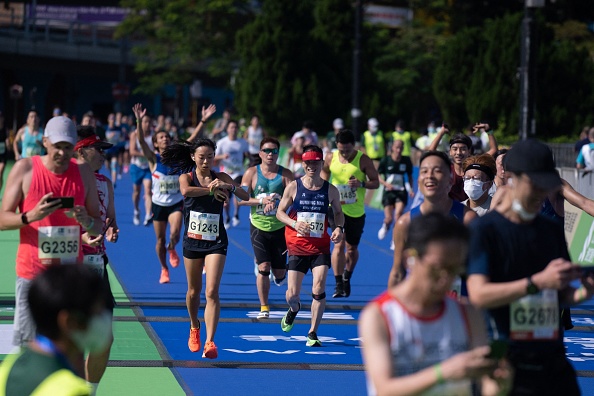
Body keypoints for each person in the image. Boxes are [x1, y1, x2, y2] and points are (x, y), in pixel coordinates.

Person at [466, 139, 594, 395]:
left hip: (552, 361)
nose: (541, 193)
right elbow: (479, 294)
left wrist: (584, 291)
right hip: (505, 363)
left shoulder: (550, 230)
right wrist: (536, 282)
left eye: (546, 185)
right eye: (534, 184)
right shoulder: (485, 230)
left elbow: (560, 295)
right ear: (511, 178)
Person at [359, 213, 510, 396]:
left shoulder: (468, 314)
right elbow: (385, 389)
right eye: (438, 268)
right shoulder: (379, 316)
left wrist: (500, 385)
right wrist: (444, 372)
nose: (446, 279)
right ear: (410, 259)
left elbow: (487, 386)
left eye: (455, 270)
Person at [0, 115, 103, 348]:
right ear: (45, 142)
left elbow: (97, 223)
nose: (62, 154)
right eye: (57, 147)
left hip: (69, 276)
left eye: (68, 148)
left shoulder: (84, 172)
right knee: (30, 348)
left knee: (70, 346)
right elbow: (2, 219)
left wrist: (86, 221)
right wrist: (30, 216)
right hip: (32, 274)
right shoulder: (25, 169)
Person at [161, 138, 249, 359]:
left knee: (212, 292)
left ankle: (210, 341)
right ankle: (194, 326)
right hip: (192, 240)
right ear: (193, 157)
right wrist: (210, 191)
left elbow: (245, 196)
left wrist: (228, 186)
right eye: (201, 157)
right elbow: (186, 191)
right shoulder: (187, 177)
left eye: (210, 156)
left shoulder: (221, 177)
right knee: (193, 292)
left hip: (216, 241)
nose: (206, 161)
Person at [0, 265, 112, 396]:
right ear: (69, 322)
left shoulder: (8, 368)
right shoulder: (73, 390)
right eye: (96, 313)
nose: (103, 320)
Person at [276, 145, 344, 346]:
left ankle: (313, 332)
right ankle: (294, 309)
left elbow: (338, 213)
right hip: (297, 246)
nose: (311, 166)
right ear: (303, 164)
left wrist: (339, 228)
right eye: (308, 163)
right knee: (292, 295)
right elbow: (280, 212)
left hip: (320, 247)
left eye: (315, 162)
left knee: (319, 287)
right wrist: (295, 223)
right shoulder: (294, 187)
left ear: (322, 163)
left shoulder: (330, 190)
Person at [387, 151, 477, 288]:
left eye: (437, 171)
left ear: (451, 179)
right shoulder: (405, 223)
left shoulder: (468, 219)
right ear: (418, 180)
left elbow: (479, 270)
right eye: (424, 171)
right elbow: (398, 272)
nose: (429, 176)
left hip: (456, 305)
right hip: (420, 306)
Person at [74, 125, 119, 393]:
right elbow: (53, 224)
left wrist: (111, 229)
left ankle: (88, 390)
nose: (103, 155)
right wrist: (80, 239)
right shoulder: (69, 181)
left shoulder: (105, 182)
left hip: (97, 264)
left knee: (104, 339)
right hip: (71, 264)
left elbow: (109, 217)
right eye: (98, 150)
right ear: (81, 151)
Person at [238, 137, 294, 319]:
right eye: (267, 151)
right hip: (258, 226)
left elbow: (294, 201)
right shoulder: (251, 173)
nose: (270, 154)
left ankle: (279, 274)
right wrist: (261, 200)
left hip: (280, 228)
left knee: (279, 273)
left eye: (274, 151)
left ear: (278, 154)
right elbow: (240, 199)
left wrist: (277, 204)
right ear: (260, 153)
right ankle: (264, 307)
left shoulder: (286, 175)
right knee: (264, 267)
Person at [321, 129, 379, 298]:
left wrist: (361, 184)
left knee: (351, 250)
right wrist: (324, 190)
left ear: (354, 146)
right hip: (336, 209)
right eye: (341, 150)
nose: (344, 154)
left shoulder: (363, 160)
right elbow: (324, 173)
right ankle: (338, 283)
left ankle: (347, 276)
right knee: (338, 244)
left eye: (347, 150)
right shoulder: (331, 157)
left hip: (356, 211)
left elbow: (375, 183)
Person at [133, 103, 184, 284]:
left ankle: (173, 247)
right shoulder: (152, 159)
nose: (165, 139)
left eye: (167, 137)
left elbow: (191, 139)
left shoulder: (178, 159)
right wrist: (139, 120)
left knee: (176, 233)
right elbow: (140, 141)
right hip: (159, 205)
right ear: (155, 143)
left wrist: (201, 121)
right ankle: (164, 268)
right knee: (160, 239)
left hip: (176, 203)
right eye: (161, 137)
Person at [377, 140, 414, 247]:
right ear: (392, 147)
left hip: (401, 192)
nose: (398, 150)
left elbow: (410, 176)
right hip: (388, 192)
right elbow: (378, 175)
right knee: (389, 218)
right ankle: (386, 225)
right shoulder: (386, 160)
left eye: (400, 148)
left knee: (398, 216)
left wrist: (411, 189)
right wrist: (385, 184)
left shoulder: (406, 160)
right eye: (396, 147)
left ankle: (395, 239)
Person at [214, 120, 249, 228]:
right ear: (227, 129)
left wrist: (248, 165)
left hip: (238, 172)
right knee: (225, 198)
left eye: (235, 127)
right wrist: (222, 157)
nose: (233, 129)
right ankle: (227, 216)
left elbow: (247, 155)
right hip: (225, 173)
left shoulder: (243, 142)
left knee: (237, 192)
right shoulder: (221, 142)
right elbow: (214, 158)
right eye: (231, 127)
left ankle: (236, 214)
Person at [428, 128, 472, 202]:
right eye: (455, 149)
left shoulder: (474, 170)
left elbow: (493, 150)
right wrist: (441, 132)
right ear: (450, 152)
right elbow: (430, 153)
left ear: (469, 151)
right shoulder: (446, 169)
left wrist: (489, 131)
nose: (458, 153)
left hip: (469, 210)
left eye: (463, 149)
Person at [129, 112, 154, 226]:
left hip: (148, 167)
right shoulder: (134, 134)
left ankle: (148, 214)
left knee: (148, 190)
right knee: (136, 192)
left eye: (149, 122)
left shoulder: (153, 136)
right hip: (136, 166)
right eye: (145, 122)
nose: (147, 124)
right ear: (141, 123)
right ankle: (136, 210)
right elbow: (132, 151)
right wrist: (146, 154)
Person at [0, 111, 8, 194]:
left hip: (2, 155)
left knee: (0, 173)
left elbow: (7, 140)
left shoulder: (5, 129)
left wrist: (8, 143)